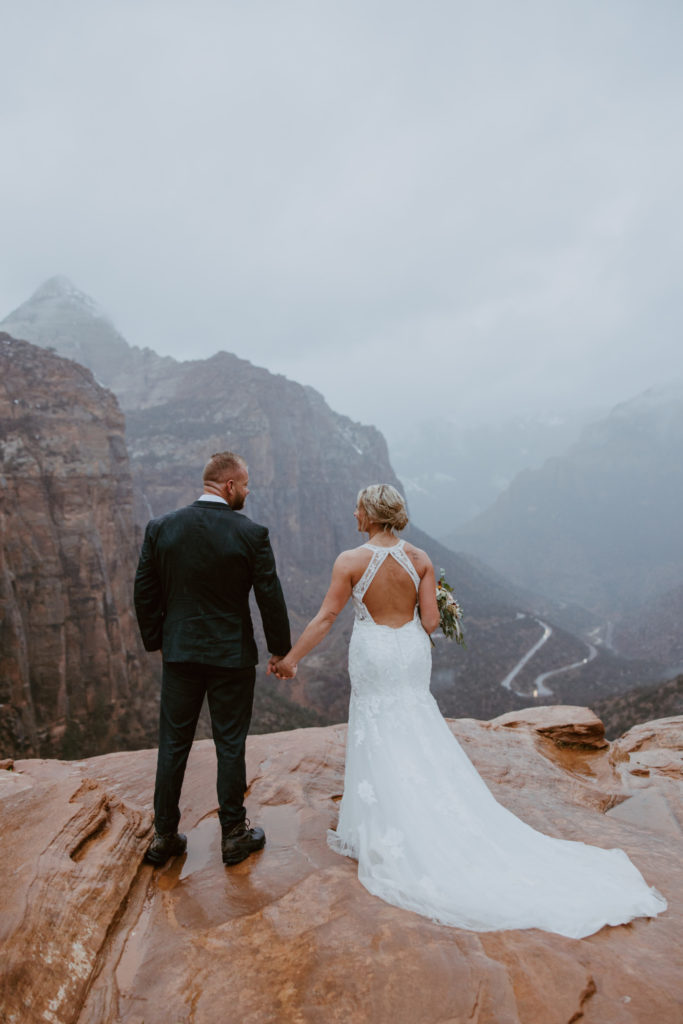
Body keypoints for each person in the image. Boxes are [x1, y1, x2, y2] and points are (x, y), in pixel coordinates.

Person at [271, 483, 667, 938]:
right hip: (412, 651)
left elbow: (325, 618)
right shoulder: (420, 559)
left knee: (377, 725)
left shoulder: (350, 561)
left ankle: (383, 821)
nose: (353, 513)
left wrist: (291, 660)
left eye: (358, 508)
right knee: (415, 719)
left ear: (373, 515)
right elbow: (432, 622)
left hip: (375, 651)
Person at [134, 451, 292, 867]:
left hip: (181, 653)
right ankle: (233, 835)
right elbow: (269, 596)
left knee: (172, 745)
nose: (249, 490)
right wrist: (280, 650)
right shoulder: (251, 533)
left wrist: (159, 641)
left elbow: (145, 590)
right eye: (245, 484)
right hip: (231, 655)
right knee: (229, 744)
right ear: (229, 486)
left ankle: (165, 835)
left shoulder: (161, 528)